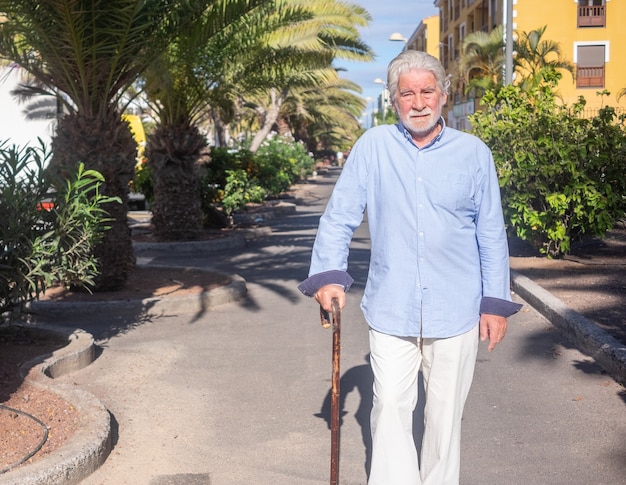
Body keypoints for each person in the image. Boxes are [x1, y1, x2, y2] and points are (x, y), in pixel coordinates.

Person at [298, 50, 522, 485]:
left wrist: (495, 302)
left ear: (443, 94)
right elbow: (340, 216)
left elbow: (491, 232)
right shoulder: (372, 147)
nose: (418, 102)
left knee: (444, 420)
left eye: (426, 91)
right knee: (389, 410)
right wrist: (327, 275)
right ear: (393, 100)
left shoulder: (473, 153)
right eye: (407, 94)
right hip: (391, 308)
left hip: (456, 311)